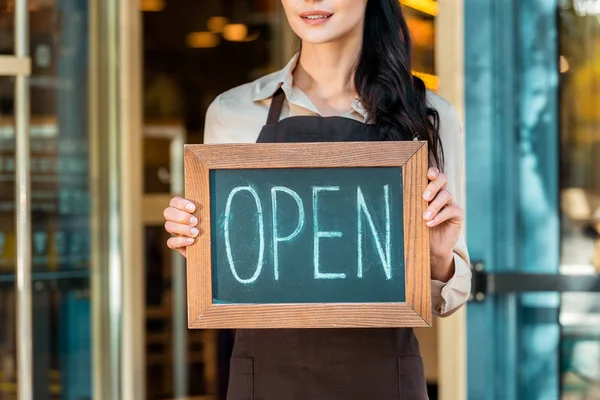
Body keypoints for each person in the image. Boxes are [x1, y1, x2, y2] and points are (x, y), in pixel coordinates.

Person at [163, 0, 471, 398]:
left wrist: (437, 258)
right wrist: (202, 245)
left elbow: (448, 298)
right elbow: (234, 273)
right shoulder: (230, 113)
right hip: (266, 379)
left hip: (383, 380)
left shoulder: (427, 115)